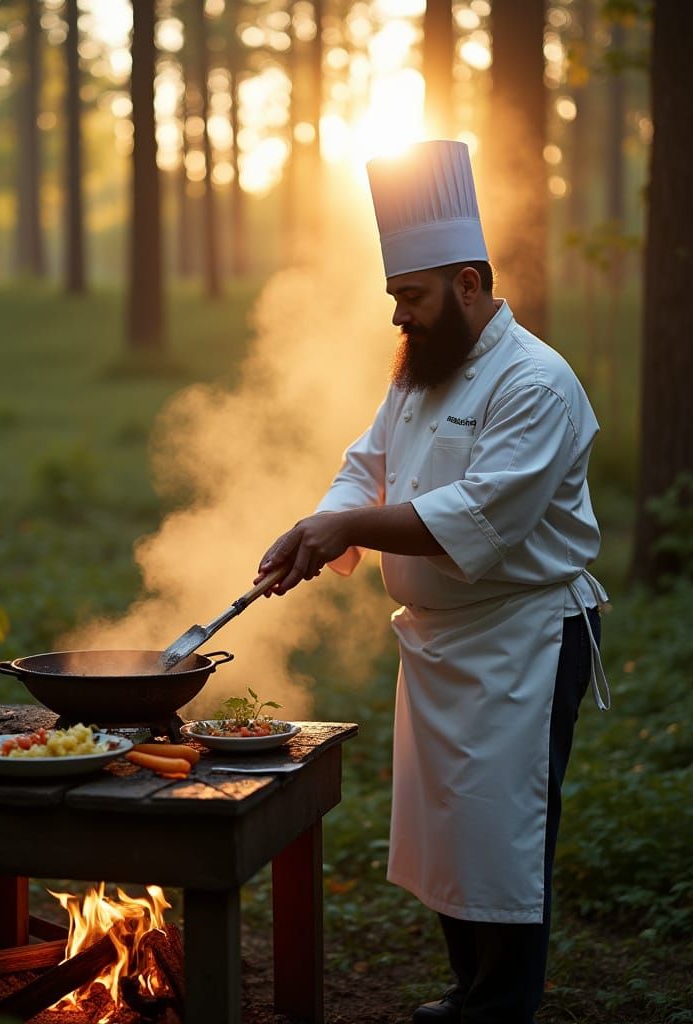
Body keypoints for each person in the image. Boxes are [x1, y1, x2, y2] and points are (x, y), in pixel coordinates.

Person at [256, 140, 610, 1024]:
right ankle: (470, 990)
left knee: (502, 835)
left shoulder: (538, 384)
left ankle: (502, 1008)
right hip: (443, 644)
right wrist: (318, 526)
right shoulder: (425, 368)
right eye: (392, 299)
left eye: (408, 297)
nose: (397, 318)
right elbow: (365, 464)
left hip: (521, 640)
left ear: (467, 280)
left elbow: (479, 517)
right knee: (451, 834)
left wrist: (342, 528)